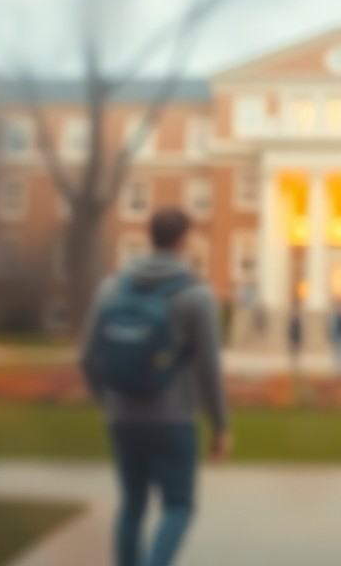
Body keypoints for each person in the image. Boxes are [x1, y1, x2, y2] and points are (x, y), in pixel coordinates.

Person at [81, 208, 230, 566]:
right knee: (179, 506)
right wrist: (221, 427)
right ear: (183, 241)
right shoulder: (197, 295)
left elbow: (87, 357)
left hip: (123, 419)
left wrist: (110, 402)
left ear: (151, 237)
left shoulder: (111, 287)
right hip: (174, 420)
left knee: (132, 505)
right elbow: (209, 368)